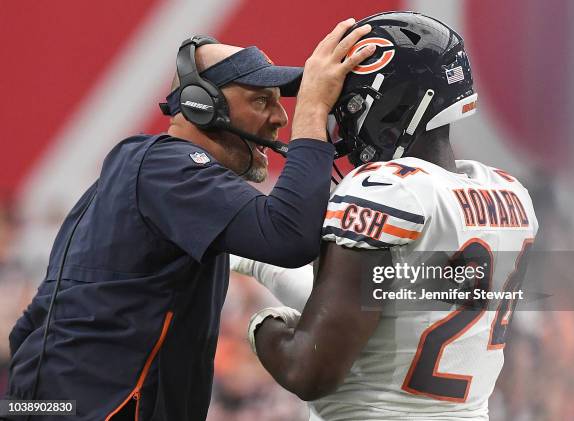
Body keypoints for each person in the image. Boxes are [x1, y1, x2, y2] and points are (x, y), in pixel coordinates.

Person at [5, 19, 376, 421]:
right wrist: (313, 113)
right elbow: (287, 236)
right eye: (261, 101)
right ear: (203, 105)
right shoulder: (165, 166)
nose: (280, 118)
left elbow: (31, 324)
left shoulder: (137, 173)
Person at [243, 12, 539, 420]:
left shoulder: (387, 191)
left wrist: (262, 324)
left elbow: (308, 369)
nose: (344, 121)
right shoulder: (509, 195)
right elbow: (381, 306)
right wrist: (253, 264)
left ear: (395, 104)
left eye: (351, 104)